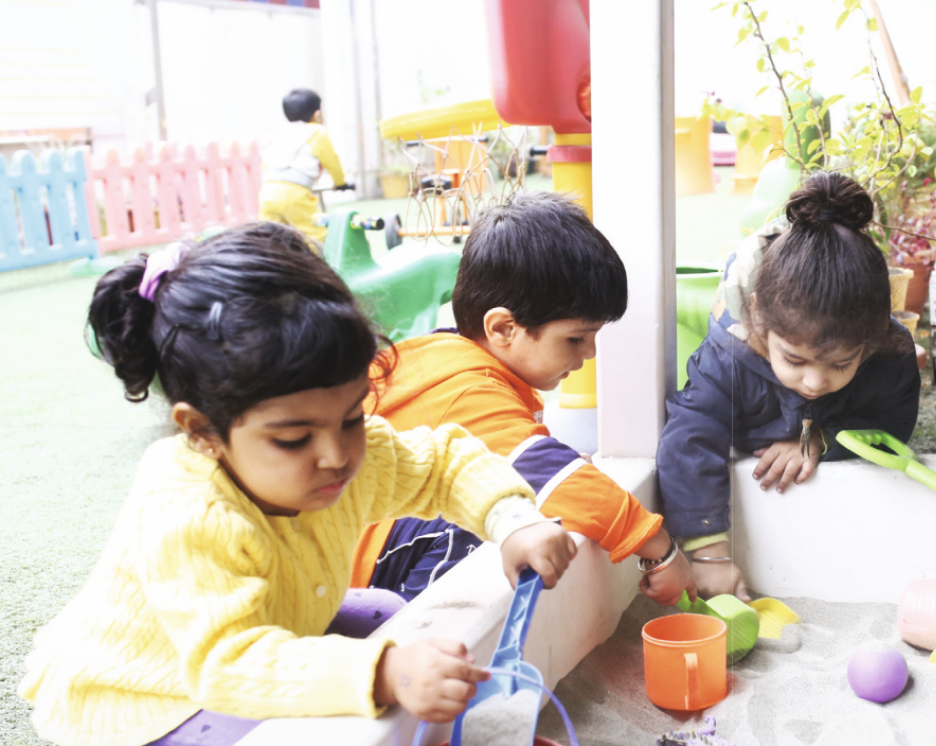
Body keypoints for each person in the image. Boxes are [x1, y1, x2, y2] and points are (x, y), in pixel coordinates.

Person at [19, 222, 577, 746]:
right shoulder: (190, 511)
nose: (336, 456)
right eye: (292, 439)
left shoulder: (341, 452)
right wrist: (383, 672)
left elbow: (442, 464)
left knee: (389, 613)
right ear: (203, 431)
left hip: (272, 627)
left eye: (351, 417)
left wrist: (513, 521)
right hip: (153, 695)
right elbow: (230, 665)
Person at [350, 191, 696, 607]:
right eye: (576, 338)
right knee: (489, 512)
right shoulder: (470, 390)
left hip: (372, 549)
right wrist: (659, 549)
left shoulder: (451, 360)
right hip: (367, 570)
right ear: (502, 329)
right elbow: (550, 476)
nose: (590, 353)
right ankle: (416, 624)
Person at [657, 171, 922, 601]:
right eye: (794, 360)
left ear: (870, 341)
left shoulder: (887, 357)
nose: (815, 382)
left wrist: (822, 437)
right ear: (760, 318)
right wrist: (709, 554)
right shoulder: (729, 358)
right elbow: (689, 438)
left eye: (842, 363)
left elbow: (891, 424)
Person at [259, 88, 348, 245]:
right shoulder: (317, 132)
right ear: (317, 114)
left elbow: (266, 163)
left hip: (267, 193)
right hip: (294, 195)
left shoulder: (281, 133)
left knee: (272, 238)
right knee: (315, 235)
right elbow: (332, 161)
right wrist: (340, 182)